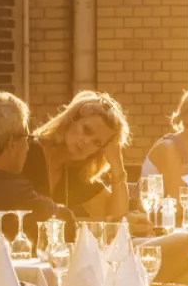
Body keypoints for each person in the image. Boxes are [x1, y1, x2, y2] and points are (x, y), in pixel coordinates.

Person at [0, 93, 74, 249]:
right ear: (12, 144)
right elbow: (66, 222)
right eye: (27, 138)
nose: (28, 147)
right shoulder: (16, 193)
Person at [25, 90, 132, 219]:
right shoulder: (26, 150)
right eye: (87, 130)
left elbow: (115, 221)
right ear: (72, 118)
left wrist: (117, 165)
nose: (86, 141)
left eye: (97, 143)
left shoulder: (75, 174)